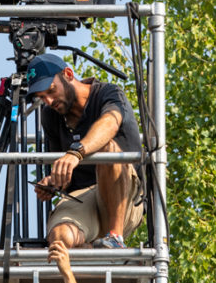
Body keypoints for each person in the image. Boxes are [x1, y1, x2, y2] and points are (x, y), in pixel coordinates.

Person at [27, 53, 143, 249]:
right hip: (82, 199)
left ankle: (115, 238)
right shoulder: (50, 116)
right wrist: (53, 182)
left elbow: (110, 124)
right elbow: (63, 174)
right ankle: (92, 250)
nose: (48, 101)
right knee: (60, 239)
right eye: (41, 97)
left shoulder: (108, 93)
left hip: (124, 198)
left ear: (68, 74)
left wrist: (76, 153)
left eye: (51, 90)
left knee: (108, 149)